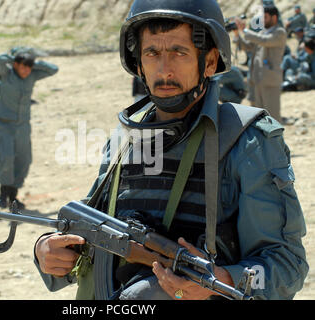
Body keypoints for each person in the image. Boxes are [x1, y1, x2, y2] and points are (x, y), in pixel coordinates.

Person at [34, 0, 308, 300]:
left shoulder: (246, 140)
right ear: (139, 63)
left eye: (179, 52)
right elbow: (91, 225)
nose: (164, 70)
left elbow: (288, 266)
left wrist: (224, 278)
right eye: (152, 53)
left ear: (210, 61)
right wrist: (48, 250)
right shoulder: (126, 139)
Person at [0, 49, 58, 210]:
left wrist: (33, 63)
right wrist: (14, 57)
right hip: (5, 124)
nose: (26, 70)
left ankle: (13, 195)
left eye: (28, 68)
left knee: (24, 159)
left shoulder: (32, 75)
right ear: (15, 65)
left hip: (23, 125)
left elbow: (53, 69)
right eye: (23, 67)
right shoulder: (6, 74)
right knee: (6, 157)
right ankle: (3, 195)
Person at [233, 3, 286, 123]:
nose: (263, 20)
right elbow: (248, 46)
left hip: (269, 81)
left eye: (265, 17)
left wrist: (245, 30)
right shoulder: (262, 32)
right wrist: (237, 34)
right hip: (256, 79)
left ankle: (275, 142)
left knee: (272, 118)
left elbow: (264, 41)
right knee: (258, 118)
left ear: (274, 18)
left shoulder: (280, 32)